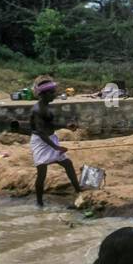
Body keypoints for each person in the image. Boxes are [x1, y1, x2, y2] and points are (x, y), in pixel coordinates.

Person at [29, 77, 81, 208]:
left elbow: (50, 125)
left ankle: (78, 190)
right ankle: (39, 203)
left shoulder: (45, 107)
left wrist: (66, 126)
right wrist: (57, 147)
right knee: (42, 172)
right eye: (52, 92)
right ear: (44, 94)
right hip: (41, 142)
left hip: (50, 138)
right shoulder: (38, 110)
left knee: (68, 164)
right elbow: (41, 132)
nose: (55, 94)